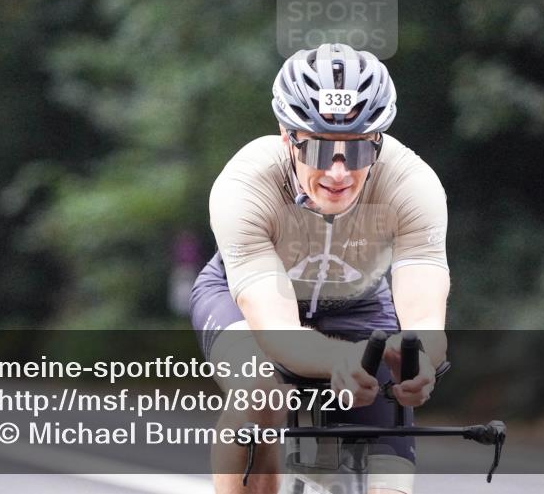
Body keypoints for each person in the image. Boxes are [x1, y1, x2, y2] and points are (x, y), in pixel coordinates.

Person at [190, 43, 450, 494]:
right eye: (318, 149)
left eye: (356, 152)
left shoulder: (413, 185)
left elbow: (424, 316)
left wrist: (421, 360)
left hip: (360, 305)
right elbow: (277, 331)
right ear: (287, 136)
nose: (337, 172)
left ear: (378, 141)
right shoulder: (245, 184)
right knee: (261, 390)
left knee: (391, 484)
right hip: (244, 302)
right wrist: (338, 359)